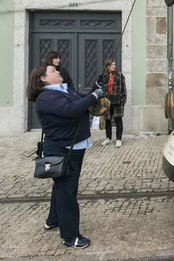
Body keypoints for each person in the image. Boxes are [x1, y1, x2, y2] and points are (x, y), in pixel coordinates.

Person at [26, 64, 104, 249]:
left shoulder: (63, 89)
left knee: (61, 187)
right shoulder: (46, 97)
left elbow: (81, 102)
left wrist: (95, 87)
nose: (58, 72)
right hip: (63, 149)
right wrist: (95, 95)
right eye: (53, 71)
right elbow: (71, 109)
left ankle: (53, 219)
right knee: (67, 191)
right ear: (43, 78)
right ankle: (70, 237)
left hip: (75, 146)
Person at [97, 59, 127, 148]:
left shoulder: (120, 75)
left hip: (117, 100)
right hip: (107, 101)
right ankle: (108, 138)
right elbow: (101, 88)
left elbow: (124, 89)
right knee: (108, 120)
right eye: (112, 65)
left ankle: (118, 139)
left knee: (118, 120)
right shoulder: (104, 76)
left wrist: (123, 99)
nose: (114, 66)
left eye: (114, 64)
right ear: (107, 66)